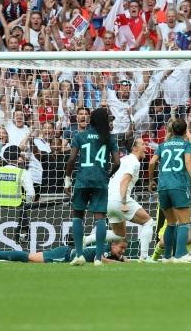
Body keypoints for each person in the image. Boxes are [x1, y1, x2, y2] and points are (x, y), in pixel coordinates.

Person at [83, 138, 155, 261]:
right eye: (142, 144)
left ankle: (87, 239)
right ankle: (144, 257)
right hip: (119, 199)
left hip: (108, 200)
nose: (145, 146)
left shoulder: (122, 160)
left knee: (119, 235)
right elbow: (124, 182)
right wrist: (123, 202)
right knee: (148, 222)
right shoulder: (134, 162)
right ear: (134, 148)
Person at [65, 107, 119, 266]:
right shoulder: (109, 139)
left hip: (82, 179)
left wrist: (67, 179)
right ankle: (97, 258)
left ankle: (79, 255)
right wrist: (107, 175)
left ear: (91, 120)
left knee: (77, 215)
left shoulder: (80, 136)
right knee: (100, 218)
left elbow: (71, 159)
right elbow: (117, 163)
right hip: (100, 181)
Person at [147, 118, 191, 263]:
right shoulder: (185, 144)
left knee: (170, 223)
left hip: (163, 187)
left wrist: (151, 180)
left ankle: (167, 257)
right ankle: (181, 255)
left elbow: (151, 162)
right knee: (184, 223)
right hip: (179, 186)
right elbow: (188, 161)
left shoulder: (163, 145)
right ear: (184, 130)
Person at [0, 239, 127, 264]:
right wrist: (121, 262)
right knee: (28, 258)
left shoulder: (109, 250)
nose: (122, 251)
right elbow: (103, 259)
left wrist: (122, 259)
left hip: (65, 252)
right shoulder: (106, 250)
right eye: (121, 248)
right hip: (64, 255)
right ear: (113, 244)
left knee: (28, 258)